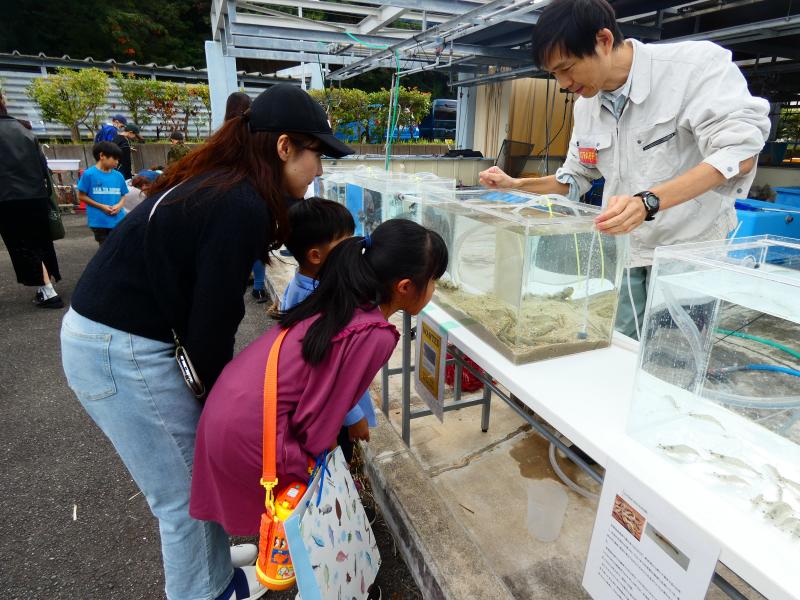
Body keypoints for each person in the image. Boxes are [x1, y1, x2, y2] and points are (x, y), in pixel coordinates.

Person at [60, 83, 354, 600]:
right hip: (119, 349)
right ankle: (210, 592)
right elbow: (214, 320)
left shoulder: (226, 181)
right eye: (317, 154)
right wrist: (226, 405)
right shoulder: (238, 202)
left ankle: (215, 567)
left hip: (122, 337)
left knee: (194, 466)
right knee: (180, 495)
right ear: (284, 146)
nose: (320, 171)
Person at [479, 0, 771, 338]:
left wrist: (648, 201)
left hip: (687, 250)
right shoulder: (587, 107)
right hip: (626, 249)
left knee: (672, 356)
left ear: (603, 41)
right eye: (554, 74)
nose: (562, 83)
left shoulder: (693, 69)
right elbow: (575, 178)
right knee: (616, 346)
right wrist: (513, 184)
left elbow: (738, 153)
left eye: (567, 67)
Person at [190, 219, 448, 538]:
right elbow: (319, 418)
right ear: (405, 286)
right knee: (301, 523)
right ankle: (315, 583)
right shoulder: (374, 334)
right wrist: (315, 473)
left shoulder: (342, 297)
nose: (435, 288)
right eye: (434, 280)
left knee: (286, 518)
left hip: (229, 410)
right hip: (256, 430)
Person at [281, 197, 378, 459]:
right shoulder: (314, 304)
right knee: (335, 471)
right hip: (332, 418)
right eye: (345, 244)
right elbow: (325, 372)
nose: (353, 251)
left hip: (330, 413)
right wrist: (354, 416)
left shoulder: (304, 286)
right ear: (316, 256)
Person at [0, 94, 64, 308]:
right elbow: (42, 165)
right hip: (36, 195)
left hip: (7, 198)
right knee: (39, 241)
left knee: (22, 245)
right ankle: (45, 288)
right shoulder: (23, 130)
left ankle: (48, 291)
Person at [223, 92, 273, 303]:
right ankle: (259, 288)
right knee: (257, 245)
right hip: (256, 194)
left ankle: (233, 286)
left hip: (227, 196)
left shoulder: (223, 135)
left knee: (232, 246)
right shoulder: (256, 134)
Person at [76, 142, 128, 245]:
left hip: (118, 219)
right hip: (99, 221)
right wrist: (101, 206)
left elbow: (124, 195)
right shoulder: (89, 174)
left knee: (119, 248)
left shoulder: (118, 176)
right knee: (106, 249)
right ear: (102, 156)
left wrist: (119, 205)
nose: (117, 162)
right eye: (115, 158)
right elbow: (81, 196)